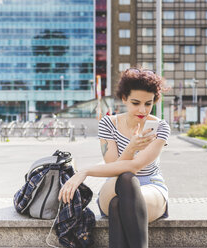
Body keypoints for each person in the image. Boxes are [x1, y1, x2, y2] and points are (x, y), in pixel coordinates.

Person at [58, 67, 170, 248]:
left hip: (150, 187)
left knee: (118, 204)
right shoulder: (108, 124)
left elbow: (135, 167)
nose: (142, 109)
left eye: (148, 104)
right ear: (124, 99)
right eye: (135, 103)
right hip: (115, 185)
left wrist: (86, 171)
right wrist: (131, 147)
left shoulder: (160, 127)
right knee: (124, 179)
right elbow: (114, 166)